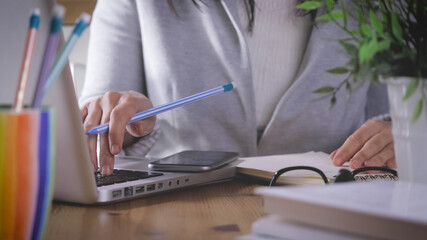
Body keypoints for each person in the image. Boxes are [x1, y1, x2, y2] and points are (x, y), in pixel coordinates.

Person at [79, 0, 395, 176]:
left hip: (337, 212)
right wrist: (125, 124)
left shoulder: (384, 7)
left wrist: (402, 135)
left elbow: (398, 116)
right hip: (179, 212)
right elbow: (98, 123)